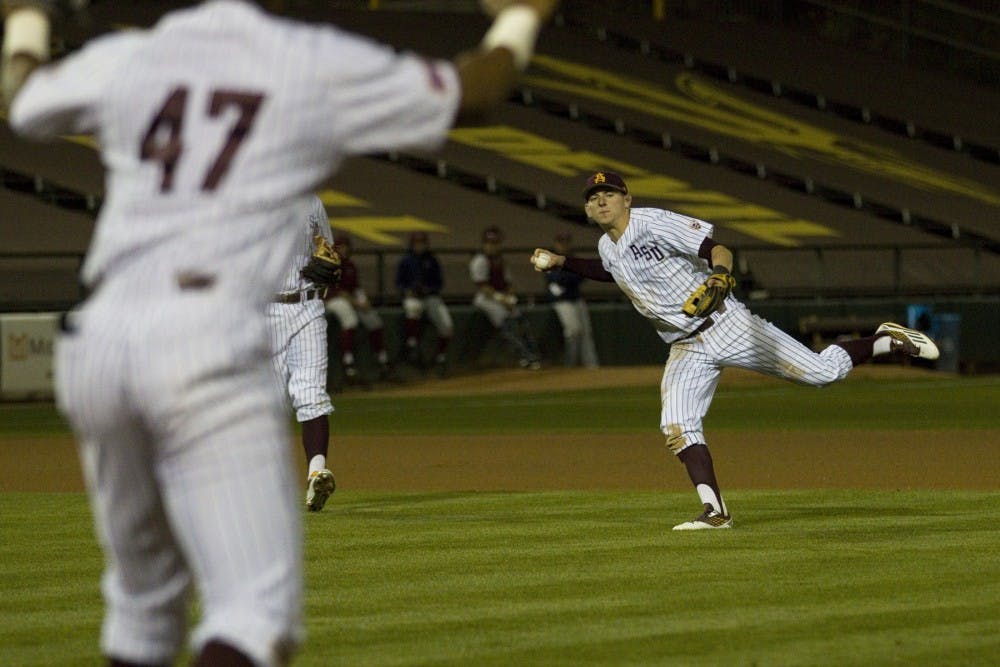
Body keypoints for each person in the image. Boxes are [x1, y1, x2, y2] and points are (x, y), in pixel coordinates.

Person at [3, 0, 560, 664]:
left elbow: (24, 96)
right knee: (253, 616)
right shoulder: (304, 56)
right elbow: (476, 92)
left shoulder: (134, 55)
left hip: (100, 339)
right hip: (206, 332)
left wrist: (27, 17)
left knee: (143, 609)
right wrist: (521, 17)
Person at [531, 170, 939, 531]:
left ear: (627, 199)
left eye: (609, 193)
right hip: (685, 345)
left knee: (822, 374)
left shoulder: (652, 222)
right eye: (593, 197)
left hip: (726, 323)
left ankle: (884, 339)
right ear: (587, 210)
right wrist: (560, 261)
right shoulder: (607, 246)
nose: (601, 201)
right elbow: (609, 271)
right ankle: (715, 511)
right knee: (676, 424)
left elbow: (715, 249)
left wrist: (721, 275)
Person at [265, 195, 338, 512]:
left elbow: (328, 251)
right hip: (263, 311)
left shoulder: (311, 201)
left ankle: (316, 473)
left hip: (309, 307)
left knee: (312, 393)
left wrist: (331, 266)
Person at [470, 224, 542, 369]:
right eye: (489, 243)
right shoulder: (480, 260)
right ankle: (523, 357)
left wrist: (509, 298)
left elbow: (509, 284)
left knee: (521, 322)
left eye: (495, 243)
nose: (492, 246)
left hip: (501, 296)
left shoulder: (501, 260)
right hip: (486, 299)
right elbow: (483, 287)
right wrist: (502, 299)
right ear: (484, 244)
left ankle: (533, 354)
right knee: (507, 323)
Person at [324, 233, 392, 383]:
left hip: (351, 300)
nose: (344, 249)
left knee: (374, 321)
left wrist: (364, 301)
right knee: (350, 320)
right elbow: (339, 292)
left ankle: (382, 360)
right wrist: (357, 303)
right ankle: (348, 363)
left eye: (346, 247)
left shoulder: (350, 266)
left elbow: (356, 288)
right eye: (340, 247)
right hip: (332, 301)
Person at [395, 230, 453, 374]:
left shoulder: (432, 260)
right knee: (413, 308)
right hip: (413, 297)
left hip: (431, 297)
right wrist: (407, 290)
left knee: (447, 326)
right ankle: (412, 345)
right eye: (417, 243)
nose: (420, 246)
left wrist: (428, 289)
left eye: (422, 243)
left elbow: (439, 283)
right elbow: (399, 283)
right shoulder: (406, 261)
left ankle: (441, 357)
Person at [543, 230, 599, 368]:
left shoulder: (572, 260)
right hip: (562, 302)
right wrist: (572, 276)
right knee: (573, 332)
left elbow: (582, 275)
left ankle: (592, 367)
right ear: (555, 243)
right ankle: (570, 366)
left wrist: (569, 277)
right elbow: (558, 279)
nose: (564, 245)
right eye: (561, 242)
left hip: (576, 299)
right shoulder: (548, 260)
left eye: (566, 242)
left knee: (586, 334)